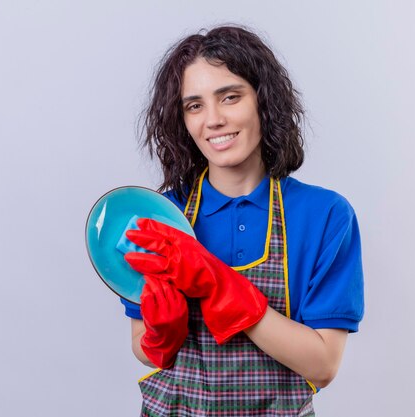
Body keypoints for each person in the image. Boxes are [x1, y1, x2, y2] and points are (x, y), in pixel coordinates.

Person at [120, 25, 364, 416]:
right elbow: (143, 347)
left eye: (229, 97)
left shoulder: (324, 216)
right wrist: (160, 335)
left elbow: (323, 365)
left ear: (262, 102)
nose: (213, 120)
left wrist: (220, 287)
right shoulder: (160, 218)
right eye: (194, 105)